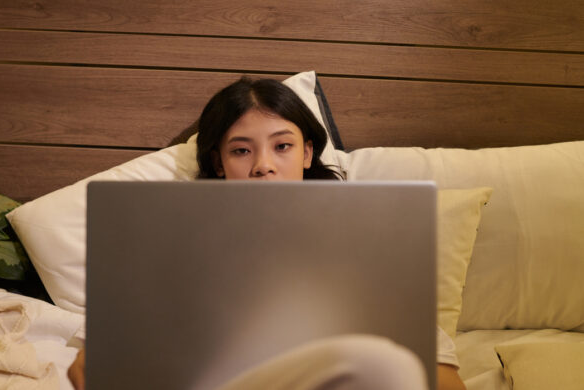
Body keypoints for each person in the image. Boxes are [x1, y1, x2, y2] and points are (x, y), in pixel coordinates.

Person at [68, 77, 466, 390]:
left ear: (307, 154)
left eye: (282, 147)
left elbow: (445, 382)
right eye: (241, 150)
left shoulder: (363, 250)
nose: (263, 166)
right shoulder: (172, 243)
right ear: (218, 163)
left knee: (383, 365)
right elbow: (92, 367)